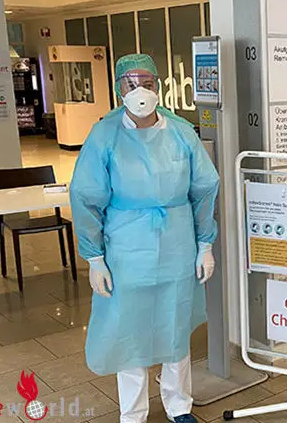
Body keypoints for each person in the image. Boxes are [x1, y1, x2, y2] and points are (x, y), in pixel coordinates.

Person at [70, 54, 220, 423]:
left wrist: (205, 245)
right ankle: (133, 413)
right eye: (131, 83)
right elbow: (86, 195)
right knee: (130, 332)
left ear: (158, 85)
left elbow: (204, 188)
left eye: (147, 83)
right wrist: (94, 258)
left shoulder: (180, 132)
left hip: (177, 246)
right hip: (126, 249)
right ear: (119, 88)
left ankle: (179, 405)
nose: (140, 91)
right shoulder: (105, 135)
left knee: (175, 327)